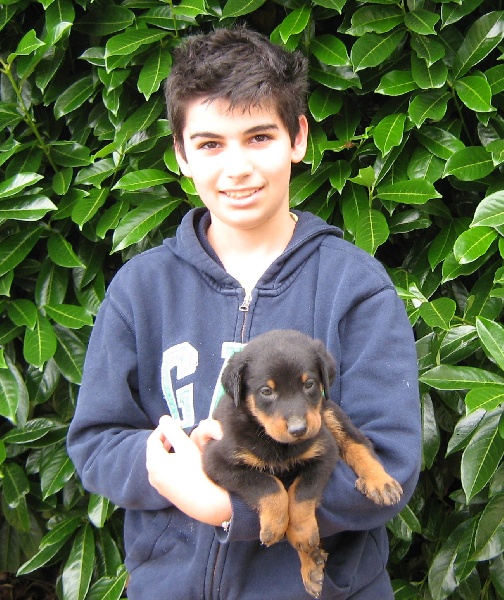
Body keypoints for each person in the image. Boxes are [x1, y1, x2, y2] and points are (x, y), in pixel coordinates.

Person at [67, 26, 421, 600]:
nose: (237, 168)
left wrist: (228, 505)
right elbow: (95, 440)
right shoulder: (140, 289)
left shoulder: (355, 287)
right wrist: (165, 466)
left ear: (297, 138)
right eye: (210, 144)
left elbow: (392, 462)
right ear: (181, 154)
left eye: (259, 137)